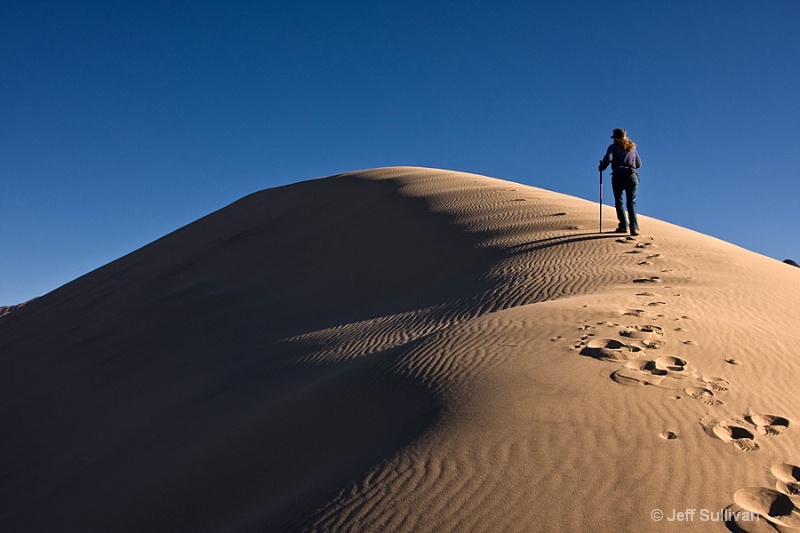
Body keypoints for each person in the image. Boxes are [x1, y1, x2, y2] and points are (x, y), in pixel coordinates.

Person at [599, 128, 642, 236]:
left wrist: (602, 167)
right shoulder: (632, 148)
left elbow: (608, 159)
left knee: (619, 201)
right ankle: (634, 227)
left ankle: (623, 225)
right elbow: (639, 164)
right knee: (631, 202)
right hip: (632, 175)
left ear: (615, 137)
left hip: (618, 174)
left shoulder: (613, 147)